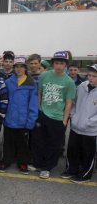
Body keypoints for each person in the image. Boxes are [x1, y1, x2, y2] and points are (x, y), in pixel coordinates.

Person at [30, 51, 76, 179]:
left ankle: (47, 167)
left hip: (57, 117)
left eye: (61, 63)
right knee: (38, 141)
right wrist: (39, 110)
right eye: (56, 63)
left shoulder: (69, 82)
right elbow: (40, 92)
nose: (58, 66)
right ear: (53, 63)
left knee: (53, 144)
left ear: (65, 65)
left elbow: (69, 102)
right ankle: (38, 163)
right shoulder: (44, 76)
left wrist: (64, 120)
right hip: (43, 113)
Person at [0, 56, 38, 174]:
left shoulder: (31, 83)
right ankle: (6, 160)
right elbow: (4, 99)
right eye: (17, 67)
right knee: (8, 142)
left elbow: (33, 103)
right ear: (14, 68)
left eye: (21, 66)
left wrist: (31, 120)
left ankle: (22, 162)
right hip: (10, 118)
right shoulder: (8, 82)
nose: (19, 69)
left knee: (22, 143)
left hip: (23, 119)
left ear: (25, 68)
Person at [61, 64, 97, 183]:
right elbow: (74, 102)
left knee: (88, 153)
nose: (91, 78)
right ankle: (71, 170)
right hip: (76, 126)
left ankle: (85, 175)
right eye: (89, 75)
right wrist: (73, 116)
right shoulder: (82, 86)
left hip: (91, 129)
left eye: (94, 76)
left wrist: (89, 122)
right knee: (72, 150)